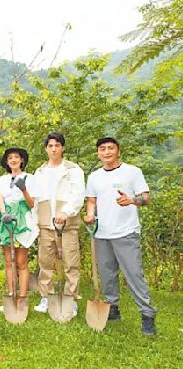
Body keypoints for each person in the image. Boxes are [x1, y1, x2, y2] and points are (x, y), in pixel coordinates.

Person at [84, 137, 157, 336]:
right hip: (101, 233)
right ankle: (112, 309)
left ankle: (147, 315)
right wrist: (90, 214)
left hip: (126, 232)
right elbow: (91, 200)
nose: (106, 152)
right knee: (107, 274)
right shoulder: (94, 176)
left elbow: (146, 198)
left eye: (110, 148)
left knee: (134, 274)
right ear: (98, 153)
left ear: (118, 151)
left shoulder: (132, 172)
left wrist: (132, 199)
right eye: (102, 149)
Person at [33, 132, 85, 317]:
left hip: (67, 224)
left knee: (71, 262)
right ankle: (46, 296)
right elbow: (36, 198)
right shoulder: (40, 171)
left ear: (62, 147)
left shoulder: (73, 169)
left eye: (57, 145)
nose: (53, 149)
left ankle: (71, 298)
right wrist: (35, 221)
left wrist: (66, 212)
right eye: (50, 146)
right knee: (45, 262)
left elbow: (78, 195)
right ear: (46, 148)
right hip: (46, 223)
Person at [0, 147, 39, 311]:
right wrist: (3, 212)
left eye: (16, 157)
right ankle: (11, 294)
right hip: (6, 219)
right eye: (10, 158)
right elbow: (0, 198)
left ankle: (22, 298)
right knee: (9, 261)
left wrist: (24, 189)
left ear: (22, 160)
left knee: (21, 261)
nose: (13, 160)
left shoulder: (30, 178)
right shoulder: (2, 179)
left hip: (22, 220)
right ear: (6, 162)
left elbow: (31, 203)